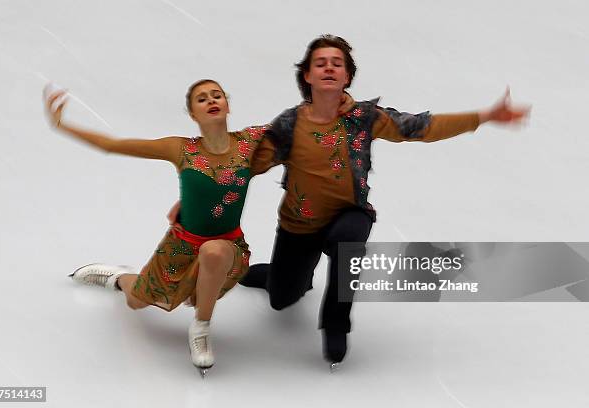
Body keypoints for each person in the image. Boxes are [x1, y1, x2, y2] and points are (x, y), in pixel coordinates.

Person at [235, 34, 530, 369]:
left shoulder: (364, 117)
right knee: (281, 299)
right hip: (299, 223)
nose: (329, 67)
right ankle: (283, 279)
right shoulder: (289, 125)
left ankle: (335, 323)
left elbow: (421, 127)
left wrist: (485, 115)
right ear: (307, 76)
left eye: (337, 63)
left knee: (349, 244)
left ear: (347, 76)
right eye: (321, 63)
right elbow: (248, 166)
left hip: (349, 214)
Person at [44, 79, 354, 376]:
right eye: (202, 98)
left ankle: (201, 327)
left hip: (227, 248)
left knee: (213, 251)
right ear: (193, 113)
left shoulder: (249, 143)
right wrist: (62, 125)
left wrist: (342, 102)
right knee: (136, 300)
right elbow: (112, 145)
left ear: (227, 106)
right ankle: (117, 277)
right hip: (179, 247)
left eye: (217, 95)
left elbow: (302, 124)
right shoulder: (181, 149)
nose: (211, 101)